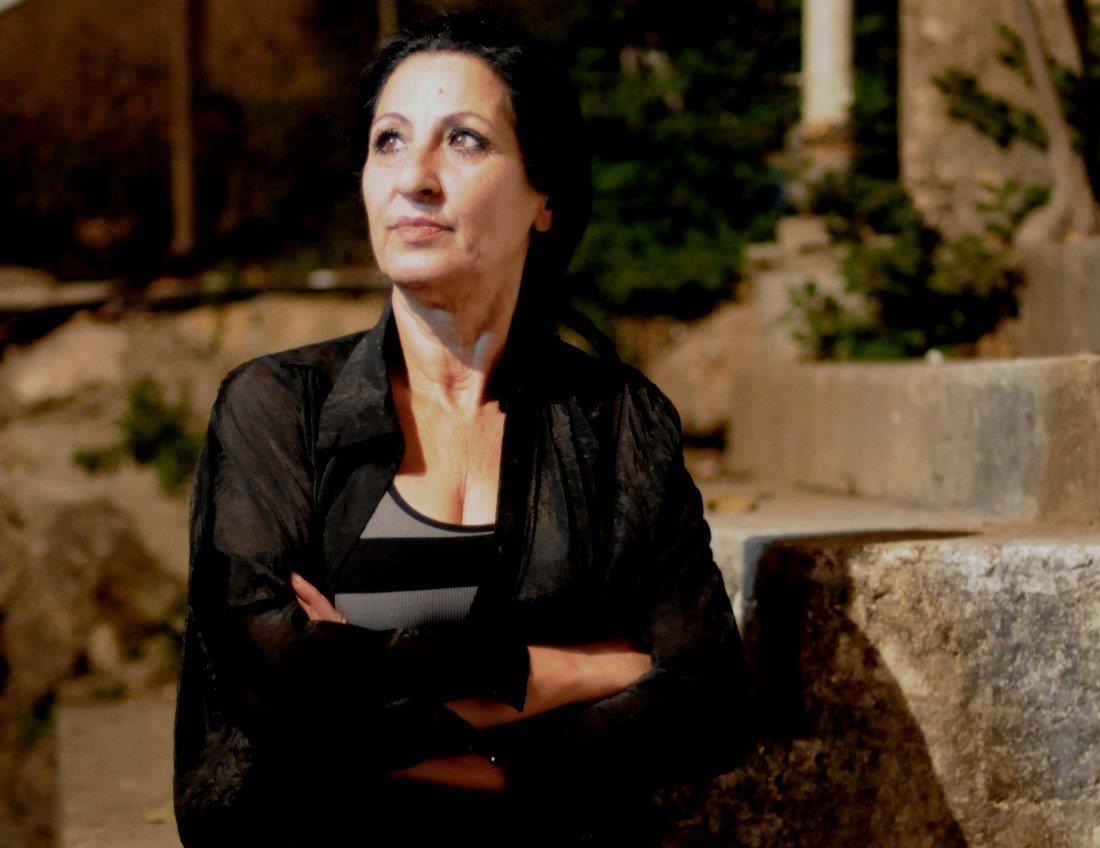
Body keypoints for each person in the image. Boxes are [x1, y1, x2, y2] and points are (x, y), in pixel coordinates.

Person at [172, 12, 750, 846]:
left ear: (544, 197)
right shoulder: (278, 408)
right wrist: (567, 671)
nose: (415, 178)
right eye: (389, 141)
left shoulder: (617, 421)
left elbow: (706, 700)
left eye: (465, 141)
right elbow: (273, 697)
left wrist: (459, 753)